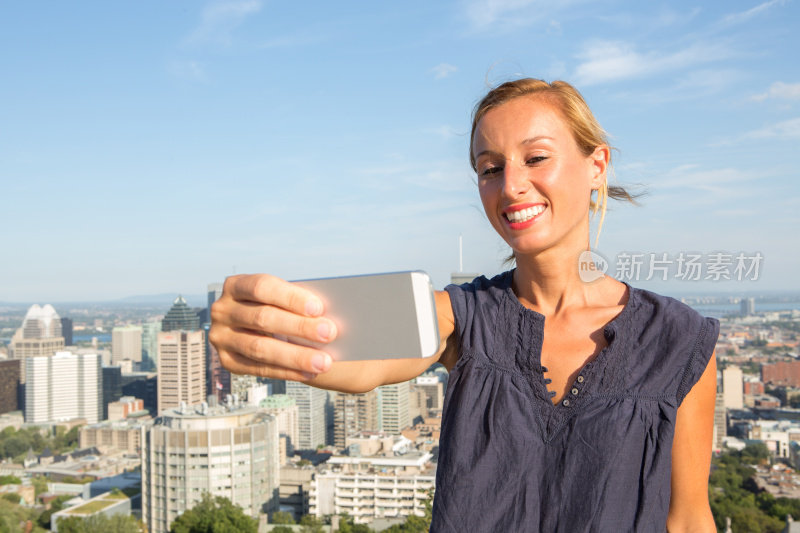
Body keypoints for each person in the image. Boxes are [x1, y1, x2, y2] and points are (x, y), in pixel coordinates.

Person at [209, 78, 719, 532]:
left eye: (536, 157)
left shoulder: (678, 339)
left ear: (597, 165)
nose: (511, 185)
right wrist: (271, 331)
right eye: (489, 168)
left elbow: (689, 518)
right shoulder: (465, 317)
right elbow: (365, 354)